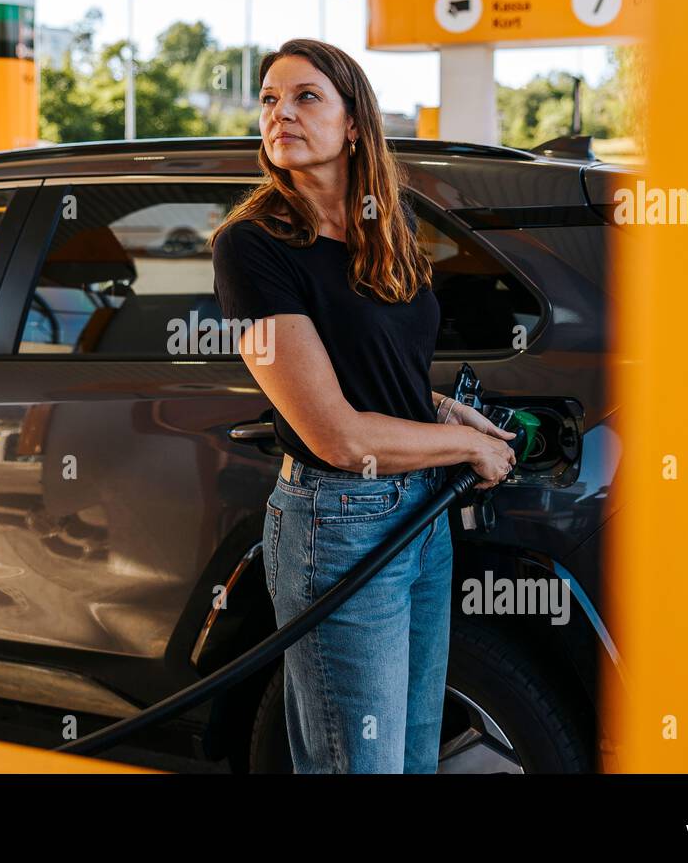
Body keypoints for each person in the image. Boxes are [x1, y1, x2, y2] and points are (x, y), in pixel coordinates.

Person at [209, 38, 517, 773]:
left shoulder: (387, 228)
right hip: (338, 523)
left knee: (410, 755)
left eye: (305, 96)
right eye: (269, 99)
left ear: (354, 124)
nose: (280, 113)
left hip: (421, 517)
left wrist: (446, 413)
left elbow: (378, 374)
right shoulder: (250, 247)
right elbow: (339, 435)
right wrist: (471, 450)